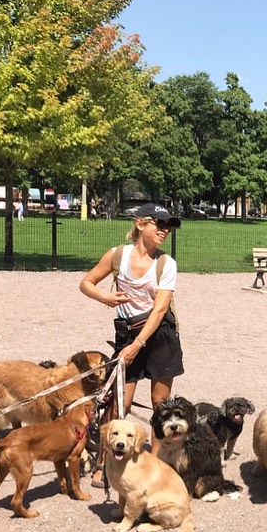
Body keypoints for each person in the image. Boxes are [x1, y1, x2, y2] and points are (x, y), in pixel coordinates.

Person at [79, 202, 184, 488]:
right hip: (127, 334)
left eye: (168, 226)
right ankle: (104, 463)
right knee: (118, 404)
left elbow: (160, 310)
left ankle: (155, 464)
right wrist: (106, 298)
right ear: (140, 224)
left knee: (160, 404)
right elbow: (86, 282)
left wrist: (138, 344)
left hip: (158, 335)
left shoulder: (166, 264)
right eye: (159, 224)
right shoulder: (117, 255)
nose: (165, 230)